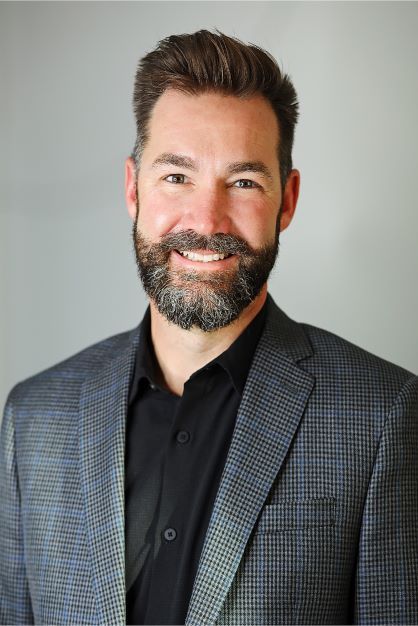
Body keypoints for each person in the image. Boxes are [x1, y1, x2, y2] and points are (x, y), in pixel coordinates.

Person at [1, 29, 417, 626]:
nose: (206, 219)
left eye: (243, 182)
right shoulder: (33, 419)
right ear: (132, 188)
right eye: (176, 176)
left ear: (287, 200)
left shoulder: (381, 416)